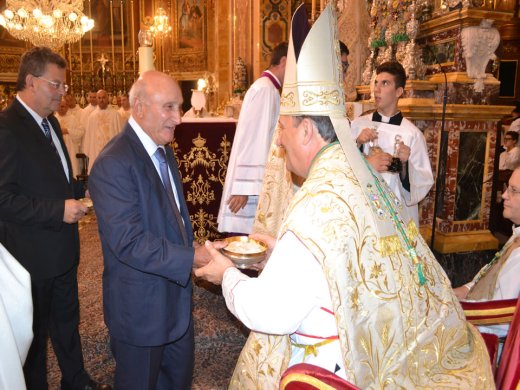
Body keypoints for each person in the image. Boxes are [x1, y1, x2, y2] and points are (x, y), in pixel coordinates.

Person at [195, 4, 493, 388]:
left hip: (337, 366)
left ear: (306, 132)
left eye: (283, 128)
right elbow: (342, 260)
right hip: (389, 343)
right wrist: (280, 251)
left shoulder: (319, 198)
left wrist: (227, 275)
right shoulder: (357, 174)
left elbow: (272, 312)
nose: (279, 138)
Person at [88, 70, 223, 390]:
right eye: (169, 107)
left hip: (175, 303)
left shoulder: (161, 148)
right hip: (141, 311)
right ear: (139, 107)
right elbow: (129, 242)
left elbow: (170, 217)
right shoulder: (113, 163)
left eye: (179, 107)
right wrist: (192, 257)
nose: (178, 118)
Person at [0, 47, 109, 390]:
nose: (63, 93)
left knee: (66, 322)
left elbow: (54, 179)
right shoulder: (6, 127)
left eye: (63, 86)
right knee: (33, 335)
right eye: (56, 85)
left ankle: (75, 381)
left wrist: (81, 191)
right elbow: (3, 199)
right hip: (29, 254)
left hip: (62, 248)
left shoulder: (50, 122)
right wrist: (57, 210)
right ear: (31, 81)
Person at [217, 42, 288, 235]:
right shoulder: (265, 90)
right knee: (244, 241)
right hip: (250, 186)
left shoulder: (269, 89)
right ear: (284, 61)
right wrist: (244, 187)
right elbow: (253, 139)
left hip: (257, 182)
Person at [351, 61, 434, 227]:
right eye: (376, 83)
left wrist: (405, 165)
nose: (376, 89)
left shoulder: (412, 134)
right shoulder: (358, 125)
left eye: (385, 83)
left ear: (398, 91)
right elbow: (339, 165)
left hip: (397, 215)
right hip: (364, 209)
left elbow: (422, 183)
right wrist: (358, 144)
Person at [454, 164, 520, 336]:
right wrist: (465, 290)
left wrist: (453, 310)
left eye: (513, 190)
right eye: (507, 188)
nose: (504, 195)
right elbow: (491, 271)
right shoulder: (517, 234)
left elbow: (502, 317)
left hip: (488, 338)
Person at [83, 89, 123, 171]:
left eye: (103, 97)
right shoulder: (92, 117)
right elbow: (88, 138)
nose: (101, 100)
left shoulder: (115, 115)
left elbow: (120, 134)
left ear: (108, 98)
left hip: (112, 153)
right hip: (96, 153)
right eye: (99, 98)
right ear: (97, 99)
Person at [56, 98, 85, 178]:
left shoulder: (73, 119)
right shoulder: (54, 119)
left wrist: (68, 131)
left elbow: (81, 132)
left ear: (67, 107)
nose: (61, 108)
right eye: (59, 106)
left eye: (63, 107)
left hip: (70, 150)